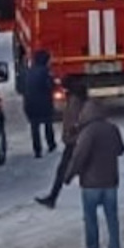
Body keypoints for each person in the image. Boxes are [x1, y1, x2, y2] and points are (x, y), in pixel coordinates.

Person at [66, 103, 124, 248]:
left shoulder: (88, 132)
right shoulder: (112, 128)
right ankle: (115, 247)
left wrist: (69, 175)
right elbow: (120, 150)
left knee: (90, 217)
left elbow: (79, 157)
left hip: (91, 183)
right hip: (111, 180)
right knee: (112, 216)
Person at [36, 77, 93, 209]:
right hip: (81, 140)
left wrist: (69, 136)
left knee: (64, 170)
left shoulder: (74, 103)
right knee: (84, 171)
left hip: (74, 142)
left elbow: (72, 122)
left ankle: (53, 197)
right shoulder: (81, 101)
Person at [20, 49, 58, 158]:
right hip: (44, 104)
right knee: (48, 124)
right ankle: (51, 144)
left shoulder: (28, 71)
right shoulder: (45, 71)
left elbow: (22, 86)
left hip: (30, 104)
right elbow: (50, 86)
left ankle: (37, 150)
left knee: (34, 127)